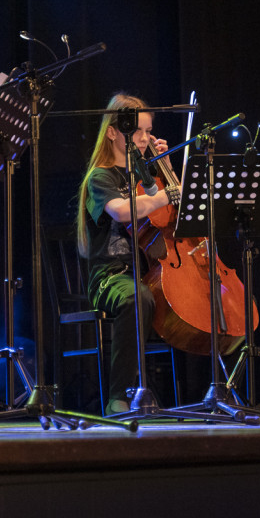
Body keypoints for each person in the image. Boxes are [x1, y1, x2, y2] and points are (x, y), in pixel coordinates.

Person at [76, 93, 173, 415]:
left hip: (151, 273)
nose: (144, 138)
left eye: (148, 131)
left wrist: (167, 170)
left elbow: (173, 219)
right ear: (112, 132)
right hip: (111, 276)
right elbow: (121, 211)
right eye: (136, 130)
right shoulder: (101, 176)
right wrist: (166, 195)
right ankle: (118, 396)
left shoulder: (149, 176)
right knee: (138, 298)